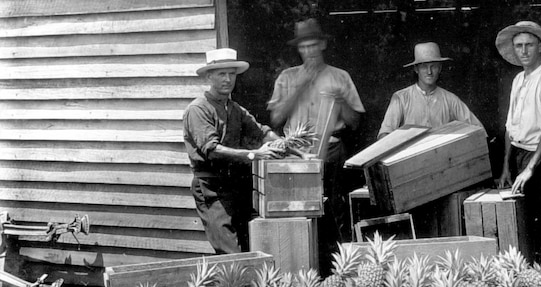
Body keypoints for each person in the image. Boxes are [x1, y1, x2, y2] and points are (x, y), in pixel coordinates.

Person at [267, 19, 365, 247]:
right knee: (298, 209)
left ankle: (336, 266)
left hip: (331, 152)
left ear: (322, 44)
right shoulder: (287, 77)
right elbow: (276, 119)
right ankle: (302, 259)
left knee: (335, 208)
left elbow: (355, 122)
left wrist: (342, 103)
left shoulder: (340, 76)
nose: (309, 51)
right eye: (303, 46)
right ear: (298, 49)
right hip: (296, 154)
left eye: (313, 45)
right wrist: (299, 87)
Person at [183, 48, 279, 254]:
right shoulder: (198, 109)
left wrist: (292, 148)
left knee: (247, 245)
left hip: (235, 185)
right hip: (211, 187)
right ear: (209, 76)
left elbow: (261, 132)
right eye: (221, 74)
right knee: (229, 251)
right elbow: (212, 150)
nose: (228, 79)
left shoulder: (234, 109)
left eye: (232, 74)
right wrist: (253, 155)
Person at [495, 20, 541, 261]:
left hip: (539, 158)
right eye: (519, 45)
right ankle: (530, 270)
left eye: (529, 45)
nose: (524, 51)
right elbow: (510, 127)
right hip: (519, 156)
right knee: (524, 219)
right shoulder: (518, 79)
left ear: (540, 47)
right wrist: (506, 167)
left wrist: (530, 168)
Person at [378, 42, 484, 139]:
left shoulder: (451, 100)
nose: (429, 72)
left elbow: (478, 130)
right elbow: (384, 135)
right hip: (410, 158)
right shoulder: (401, 98)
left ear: (440, 68)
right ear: (416, 69)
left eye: (434, 67)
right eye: (424, 67)